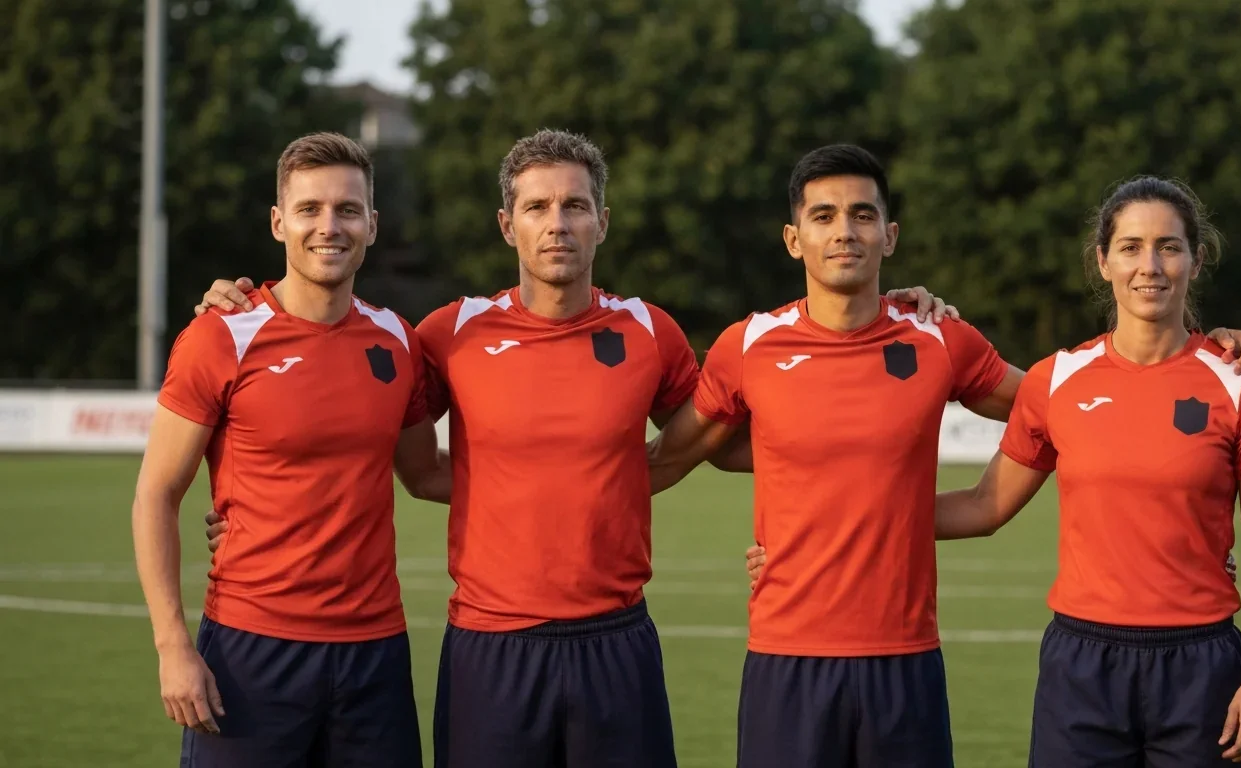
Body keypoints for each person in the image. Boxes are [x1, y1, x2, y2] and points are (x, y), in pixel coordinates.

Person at [190, 129, 949, 768]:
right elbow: (374, 442)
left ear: (602, 222)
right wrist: (242, 303)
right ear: (506, 225)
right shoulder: (447, 334)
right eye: (538, 207)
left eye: (575, 206)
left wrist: (806, 519)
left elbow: (756, 436)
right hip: (490, 646)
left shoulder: (649, 332)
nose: (557, 223)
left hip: (616, 642)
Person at [745, 176, 1241, 767]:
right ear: (1103, 262)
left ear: (1196, 259)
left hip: (1201, 663)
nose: (1150, 266)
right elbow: (984, 507)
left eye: (1169, 246)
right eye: (1131, 247)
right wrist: (816, 533)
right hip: (1081, 664)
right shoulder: (1057, 381)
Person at [131, 132, 449, 767]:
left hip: (374, 654)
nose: (328, 226)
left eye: (347, 210)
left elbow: (425, 475)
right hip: (251, 650)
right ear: (279, 222)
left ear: (373, 225)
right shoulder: (221, 334)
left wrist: (570, 474)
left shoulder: (397, 341)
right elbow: (156, 495)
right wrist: (172, 646)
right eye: (309, 209)